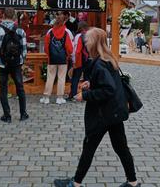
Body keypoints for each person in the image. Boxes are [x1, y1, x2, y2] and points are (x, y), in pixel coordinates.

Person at [54, 28, 139, 187]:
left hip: (102, 114)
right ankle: (133, 182)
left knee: (89, 148)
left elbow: (108, 89)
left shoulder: (99, 63)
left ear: (94, 42)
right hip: (114, 113)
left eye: (87, 39)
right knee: (121, 148)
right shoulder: (108, 59)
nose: (85, 42)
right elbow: (107, 83)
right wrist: (91, 83)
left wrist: (85, 95)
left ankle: (76, 183)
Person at [0, 8, 28, 123]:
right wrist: (21, 61)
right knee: (20, 88)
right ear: (14, 16)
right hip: (16, 63)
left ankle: (7, 115)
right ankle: (23, 114)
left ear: (4, 15)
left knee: (3, 89)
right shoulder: (20, 31)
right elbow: (24, 50)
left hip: (3, 64)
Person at [43, 13, 74, 104]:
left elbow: (46, 47)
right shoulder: (67, 32)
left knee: (50, 77)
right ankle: (59, 98)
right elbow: (70, 48)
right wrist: (67, 55)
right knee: (61, 78)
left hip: (52, 59)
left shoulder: (50, 32)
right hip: (63, 59)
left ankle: (46, 97)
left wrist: (49, 54)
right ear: (64, 21)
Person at [68, 21, 90, 102]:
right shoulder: (89, 35)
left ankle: (73, 95)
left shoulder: (78, 36)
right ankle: (85, 95)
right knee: (87, 78)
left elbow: (77, 51)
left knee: (75, 78)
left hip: (80, 60)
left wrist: (74, 61)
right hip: (89, 60)